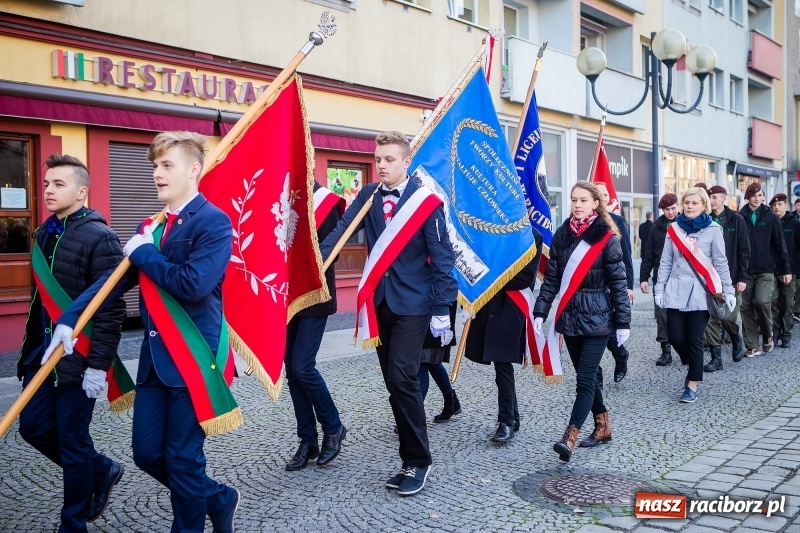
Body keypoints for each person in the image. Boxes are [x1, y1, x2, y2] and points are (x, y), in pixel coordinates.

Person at [48, 132, 241, 532]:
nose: (157, 173)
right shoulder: (151, 225)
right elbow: (112, 283)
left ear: (194, 169)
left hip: (194, 358)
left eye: (167, 165)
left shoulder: (214, 221)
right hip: (155, 364)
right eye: (155, 165)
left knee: (183, 458)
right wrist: (71, 316)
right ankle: (218, 498)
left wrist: (145, 252)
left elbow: (193, 284)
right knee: (147, 453)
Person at [319, 131, 457, 497]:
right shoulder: (368, 195)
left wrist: (442, 309)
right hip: (380, 303)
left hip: (416, 304)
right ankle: (407, 459)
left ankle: (420, 461)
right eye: (378, 159)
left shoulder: (426, 202)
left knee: (403, 378)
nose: (381, 165)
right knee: (394, 384)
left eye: (389, 159)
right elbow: (340, 233)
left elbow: (443, 258)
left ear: (406, 162)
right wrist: (314, 262)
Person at [17, 154, 126, 532]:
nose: (48, 190)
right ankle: (101, 469)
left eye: (58, 184)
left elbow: (110, 309)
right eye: (47, 184)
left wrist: (97, 366)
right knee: (32, 428)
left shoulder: (100, 237)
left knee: (72, 438)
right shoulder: (44, 233)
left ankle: (73, 522)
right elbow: (39, 303)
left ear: (82, 192)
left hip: (78, 359)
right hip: (41, 354)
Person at [533, 181, 630, 462]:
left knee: (585, 380)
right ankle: (603, 426)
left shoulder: (607, 238)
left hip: (598, 319)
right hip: (570, 318)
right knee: (586, 377)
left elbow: (618, 283)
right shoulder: (562, 236)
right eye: (574, 200)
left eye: (583, 200)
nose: (577, 205)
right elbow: (551, 280)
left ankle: (569, 437)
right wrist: (540, 311)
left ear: (596, 204)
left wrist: (623, 322)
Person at [284, 181, 347, 471]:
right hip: (287, 295)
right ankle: (307, 440)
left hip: (315, 295)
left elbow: (330, 251)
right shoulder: (282, 197)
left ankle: (333, 427)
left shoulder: (325, 201)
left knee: (303, 366)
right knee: (292, 372)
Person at [655, 187, 735, 403]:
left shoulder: (714, 229)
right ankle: (694, 363)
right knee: (675, 337)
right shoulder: (674, 229)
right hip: (676, 290)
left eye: (694, 203)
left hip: (701, 293)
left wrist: (728, 290)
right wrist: (659, 288)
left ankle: (692, 384)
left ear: (704, 205)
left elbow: (721, 262)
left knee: (695, 339)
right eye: (687, 203)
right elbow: (666, 261)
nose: (690, 207)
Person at [464, 229, 540, 443]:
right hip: (488, 307)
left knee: (503, 364)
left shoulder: (533, 236)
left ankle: (505, 421)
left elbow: (525, 277)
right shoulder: (492, 230)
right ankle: (513, 417)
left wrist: (493, 276)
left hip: (511, 307)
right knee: (500, 365)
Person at [739, 182, 792, 356]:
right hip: (745, 270)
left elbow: (780, 244)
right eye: (753, 195)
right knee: (745, 307)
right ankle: (752, 344)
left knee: (762, 302)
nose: (757, 198)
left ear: (763, 197)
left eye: (760, 195)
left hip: (766, 269)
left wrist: (786, 269)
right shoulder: (740, 216)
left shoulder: (771, 217)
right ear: (748, 197)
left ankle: (768, 335)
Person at [702, 186, 750, 371]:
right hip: (709, 277)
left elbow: (744, 251)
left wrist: (742, 277)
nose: (712, 200)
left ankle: (736, 337)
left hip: (731, 276)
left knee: (728, 316)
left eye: (715, 197)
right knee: (710, 317)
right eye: (710, 197)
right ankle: (716, 358)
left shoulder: (736, 219)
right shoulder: (704, 219)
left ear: (724, 198)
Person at [593, 182, 634, 383]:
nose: (601, 198)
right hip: (589, 284)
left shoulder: (617, 221)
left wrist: (629, 286)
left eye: (604, 194)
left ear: (608, 198)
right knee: (590, 331)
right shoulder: (580, 222)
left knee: (607, 329)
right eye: (596, 194)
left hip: (611, 284)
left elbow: (626, 255)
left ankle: (620, 355)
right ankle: (596, 375)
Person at [640, 194, 679, 366]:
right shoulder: (655, 228)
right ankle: (666, 350)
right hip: (661, 278)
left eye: (673, 208)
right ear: (662, 210)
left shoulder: (686, 224)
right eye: (667, 209)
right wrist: (644, 278)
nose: (670, 212)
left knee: (681, 314)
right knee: (662, 315)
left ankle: (686, 347)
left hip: (682, 278)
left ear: (678, 206)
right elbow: (649, 254)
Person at [769, 193, 800, 348]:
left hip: (790, 269)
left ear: (786, 206)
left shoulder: (794, 223)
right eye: (774, 205)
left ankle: (786, 334)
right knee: (773, 302)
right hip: (772, 268)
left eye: (779, 204)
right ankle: (775, 333)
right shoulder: (769, 221)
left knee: (787, 303)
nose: (776, 207)